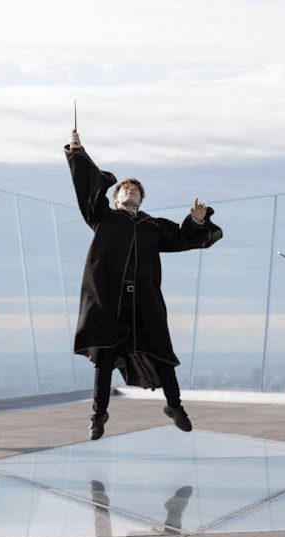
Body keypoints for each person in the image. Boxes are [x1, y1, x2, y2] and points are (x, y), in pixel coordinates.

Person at [66, 131, 223, 440]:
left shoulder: (153, 226)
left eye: (136, 188)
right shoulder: (103, 218)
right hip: (108, 301)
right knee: (105, 358)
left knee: (162, 354)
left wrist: (198, 221)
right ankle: (98, 414)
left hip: (145, 302)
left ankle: (175, 406)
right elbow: (87, 189)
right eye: (125, 187)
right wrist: (78, 152)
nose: (130, 189)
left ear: (141, 198)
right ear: (115, 197)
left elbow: (181, 238)